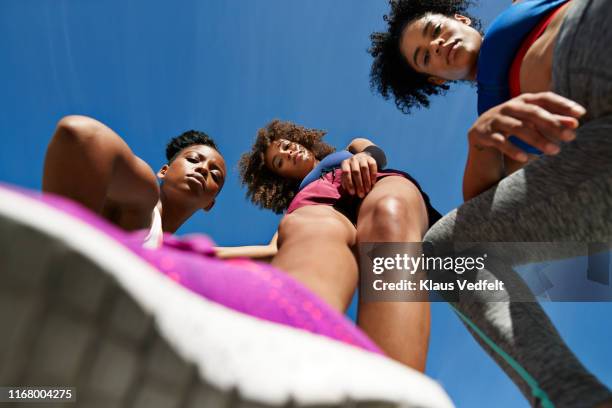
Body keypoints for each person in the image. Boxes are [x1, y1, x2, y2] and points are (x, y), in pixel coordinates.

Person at [225, 119, 441, 372]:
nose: (287, 152)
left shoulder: (349, 149)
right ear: (280, 178)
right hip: (319, 206)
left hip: (373, 182)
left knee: (388, 213)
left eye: (285, 145)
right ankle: (290, 376)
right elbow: (274, 251)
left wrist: (364, 158)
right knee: (310, 236)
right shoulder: (299, 200)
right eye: (279, 161)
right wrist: (191, 251)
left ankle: (397, 390)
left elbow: (375, 152)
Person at [42, 115, 226, 248]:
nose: (203, 169)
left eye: (215, 175)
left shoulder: (179, 252)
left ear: (210, 204)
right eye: (193, 159)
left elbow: (236, 254)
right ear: (163, 171)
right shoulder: (145, 198)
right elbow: (83, 134)